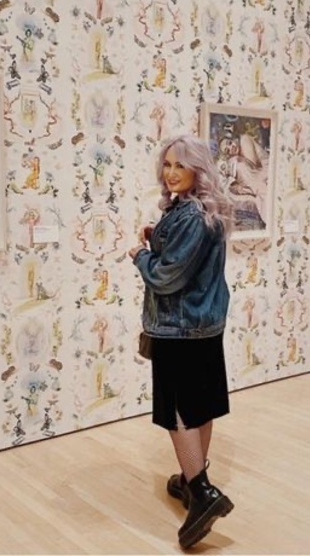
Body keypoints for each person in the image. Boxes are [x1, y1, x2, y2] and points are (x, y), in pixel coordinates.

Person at [128, 134, 236, 549]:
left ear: (198, 170)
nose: (171, 172)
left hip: (179, 328)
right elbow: (185, 256)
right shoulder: (200, 210)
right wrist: (156, 235)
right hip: (204, 325)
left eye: (180, 165)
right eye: (167, 164)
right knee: (200, 405)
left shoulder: (190, 215)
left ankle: (203, 493)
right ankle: (191, 482)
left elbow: (166, 276)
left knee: (179, 411)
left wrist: (139, 254)